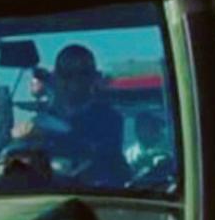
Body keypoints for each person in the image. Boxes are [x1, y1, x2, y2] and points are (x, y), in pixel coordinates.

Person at [12, 44, 129, 184]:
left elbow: (102, 154)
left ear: (93, 77)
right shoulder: (41, 122)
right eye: (67, 74)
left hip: (95, 193)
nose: (74, 81)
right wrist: (20, 139)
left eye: (83, 73)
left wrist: (53, 138)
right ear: (56, 77)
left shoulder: (109, 119)